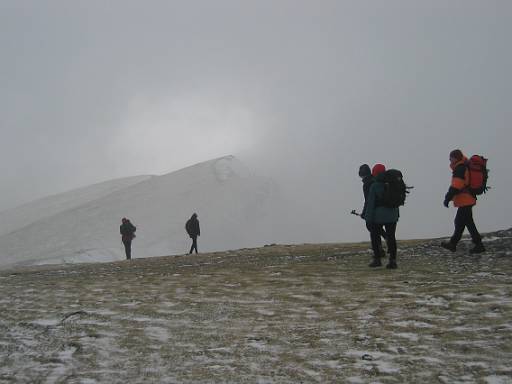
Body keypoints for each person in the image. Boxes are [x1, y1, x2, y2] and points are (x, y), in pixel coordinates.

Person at [441, 149, 485, 253]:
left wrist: (447, 198)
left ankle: (477, 244)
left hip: (465, 199)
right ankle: (454, 243)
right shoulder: (463, 166)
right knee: (462, 222)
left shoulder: (460, 168)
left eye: (450, 158)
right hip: (468, 198)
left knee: (466, 222)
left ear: (455, 158)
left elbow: (456, 185)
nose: (450, 160)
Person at [364, 164, 399, 269]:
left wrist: (368, 218)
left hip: (378, 217)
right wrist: (397, 216)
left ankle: (377, 259)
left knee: (374, 236)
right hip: (392, 216)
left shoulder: (374, 186)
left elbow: (370, 203)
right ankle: (392, 261)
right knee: (391, 237)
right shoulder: (393, 183)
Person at [359, 164, 386, 258]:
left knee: (372, 229)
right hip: (383, 209)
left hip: (373, 211)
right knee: (377, 229)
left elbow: (368, 200)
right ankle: (385, 245)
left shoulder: (367, 184)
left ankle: (379, 252)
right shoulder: (376, 180)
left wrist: (364, 213)